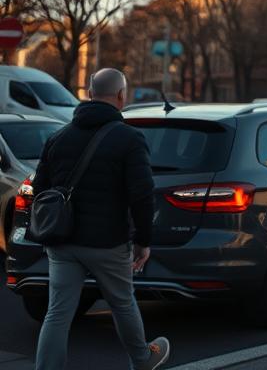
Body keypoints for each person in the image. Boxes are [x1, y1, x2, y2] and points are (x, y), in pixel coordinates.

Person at [33, 68, 170, 370]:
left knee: (57, 313)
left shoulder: (58, 137)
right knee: (122, 303)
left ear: (90, 94)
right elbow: (142, 194)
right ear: (121, 96)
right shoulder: (130, 139)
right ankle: (143, 359)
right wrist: (143, 241)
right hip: (108, 242)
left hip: (62, 241)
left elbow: (40, 189)